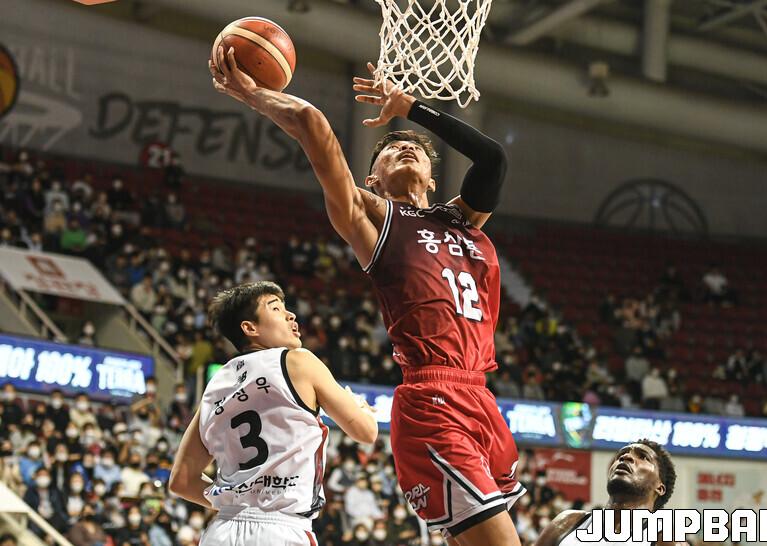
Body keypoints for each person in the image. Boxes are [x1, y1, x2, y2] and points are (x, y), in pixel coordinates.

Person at [211, 46, 522, 545]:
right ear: (371, 179)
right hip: (433, 398)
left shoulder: (462, 219)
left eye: (417, 150)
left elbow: (494, 158)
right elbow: (313, 125)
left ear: (433, 178)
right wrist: (254, 94)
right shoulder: (373, 219)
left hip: (482, 397)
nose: (407, 148)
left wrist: (411, 108)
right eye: (390, 150)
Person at [169, 281, 378, 546]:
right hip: (281, 529)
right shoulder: (299, 360)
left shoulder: (216, 384)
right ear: (250, 328)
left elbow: (181, 481)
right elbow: (367, 433)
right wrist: (361, 407)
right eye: (276, 308)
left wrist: (234, 502)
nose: (291, 315)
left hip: (221, 532)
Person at [535, 440, 684, 546]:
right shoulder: (568, 522)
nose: (625, 457)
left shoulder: (665, 539)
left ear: (660, 487)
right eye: (621, 455)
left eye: (643, 457)